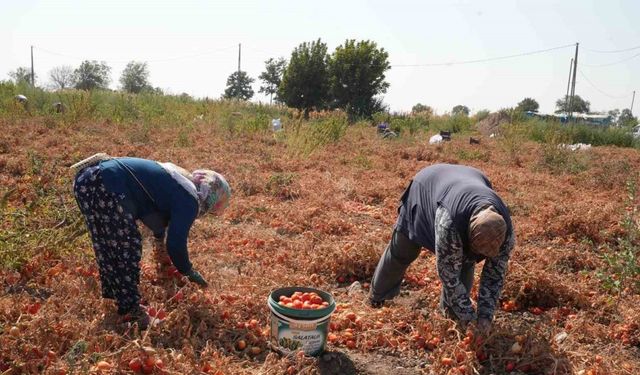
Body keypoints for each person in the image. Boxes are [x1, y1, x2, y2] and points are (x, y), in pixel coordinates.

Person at [72, 156, 231, 329]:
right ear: (212, 197)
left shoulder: (178, 181)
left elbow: (153, 214)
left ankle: (119, 299)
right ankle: (131, 312)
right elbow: (176, 244)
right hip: (107, 183)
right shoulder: (190, 200)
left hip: (87, 181)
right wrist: (188, 271)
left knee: (108, 243)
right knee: (127, 247)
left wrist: (158, 241)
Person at [369, 164, 515, 334]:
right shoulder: (450, 223)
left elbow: (494, 276)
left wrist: (485, 317)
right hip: (426, 188)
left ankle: (450, 318)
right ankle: (378, 297)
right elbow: (449, 275)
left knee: (466, 263)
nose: (479, 256)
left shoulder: (506, 234)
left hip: (466, 182)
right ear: (467, 233)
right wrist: (469, 316)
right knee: (403, 251)